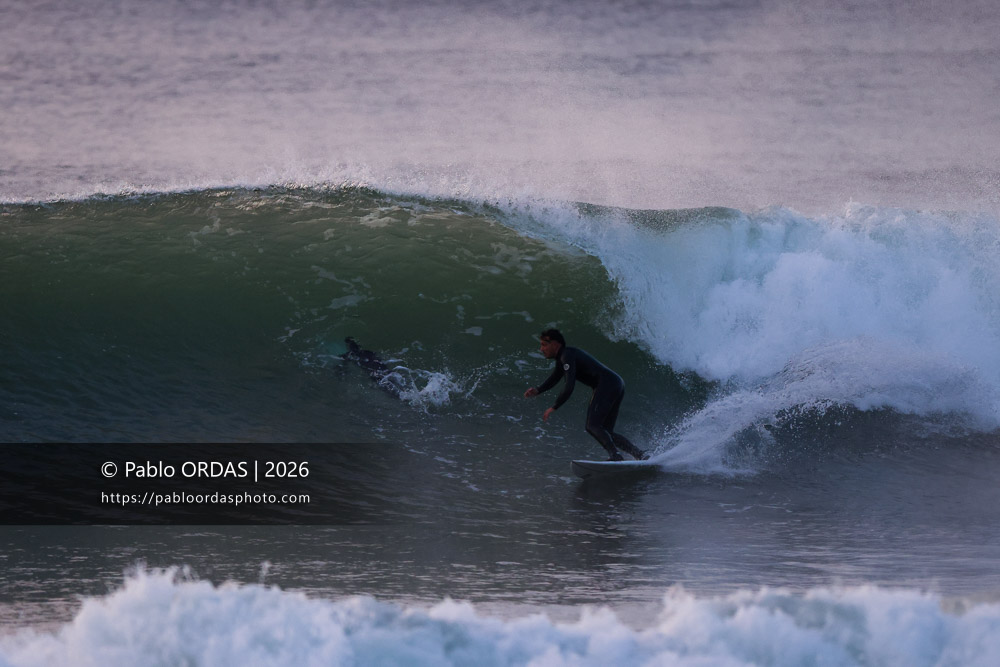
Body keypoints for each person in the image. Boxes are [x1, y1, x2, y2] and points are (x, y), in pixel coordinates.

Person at [524, 329, 648, 461]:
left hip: (607, 385)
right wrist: (538, 390)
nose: (541, 349)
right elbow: (555, 377)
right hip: (616, 383)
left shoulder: (567, 355)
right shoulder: (565, 357)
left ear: (555, 344)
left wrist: (555, 406)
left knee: (592, 426)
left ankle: (615, 456)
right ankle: (640, 454)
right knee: (606, 431)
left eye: (544, 344)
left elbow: (569, 385)